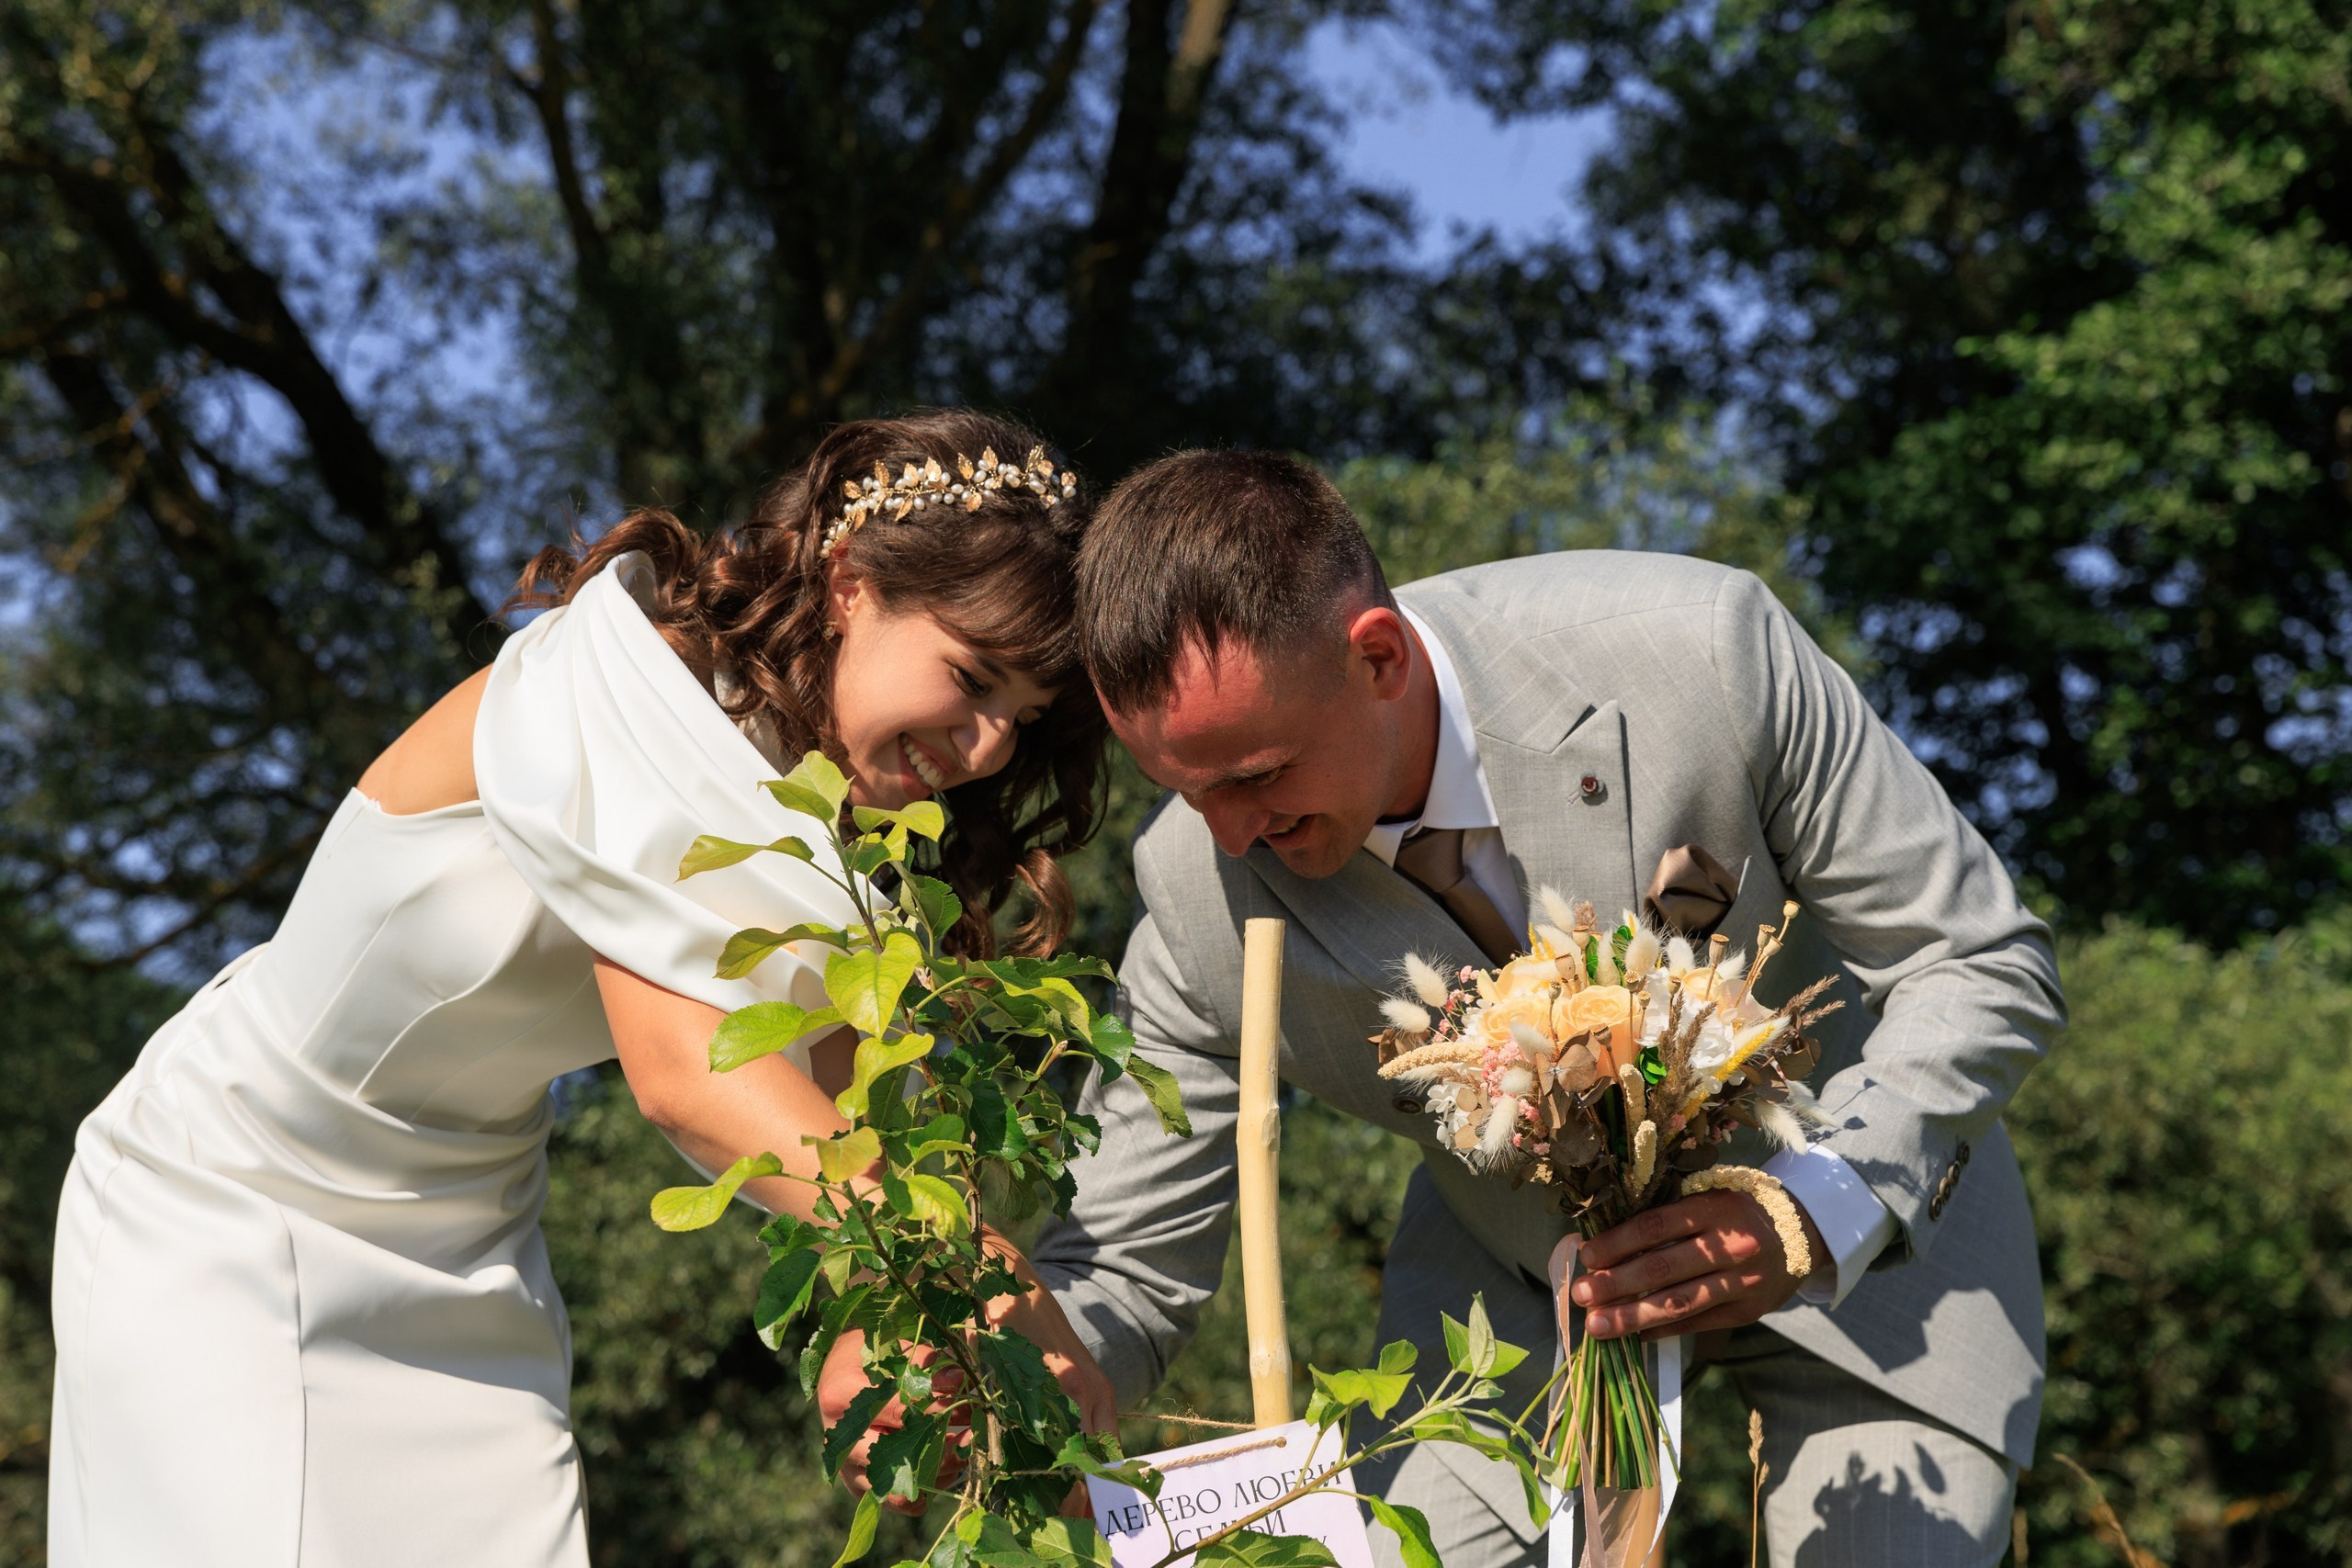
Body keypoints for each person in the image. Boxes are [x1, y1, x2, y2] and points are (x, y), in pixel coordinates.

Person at [48, 410, 1116, 1568]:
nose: (992, 746)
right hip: (235, 1201)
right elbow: (694, 1082)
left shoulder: (828, 832)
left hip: (469, 1246)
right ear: (851, 581)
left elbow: (837, 1120)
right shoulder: (634, 692)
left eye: (1023, 716)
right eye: (973, 677)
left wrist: (890, 1318)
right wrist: (979, 1271)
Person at [1027, 451, 2065, 1568]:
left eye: (1255, 776)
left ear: (1375, 656)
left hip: (1878, 1261)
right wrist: (1009, 1384)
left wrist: (1812, 1210)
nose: (1231, 834)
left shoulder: (1706, 650)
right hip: (1514, 1313)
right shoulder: (1195, 894)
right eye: (1185, 790)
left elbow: (1975, 957)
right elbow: (1121, 1262)